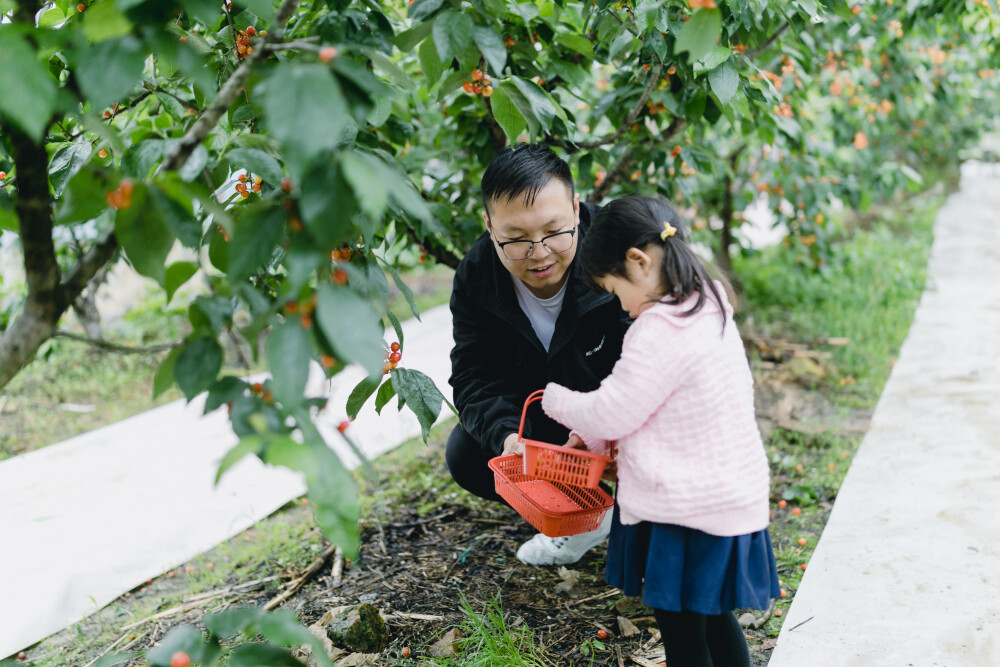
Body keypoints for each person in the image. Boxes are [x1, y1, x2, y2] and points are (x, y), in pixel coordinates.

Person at [539, 195, 779, 666]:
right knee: (712, 616)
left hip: (683, 511)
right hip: (726, 499)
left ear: (639, 261)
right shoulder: (707, 305)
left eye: (614, 289)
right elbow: (654, 404)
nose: (621, 305)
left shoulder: (658, 330)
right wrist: (592, 440)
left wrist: (556, 400)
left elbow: (614, 411)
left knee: (683, 636)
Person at [447, 144, 631, 565]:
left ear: (576, 205)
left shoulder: (620, 248)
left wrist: (604, 432)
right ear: (489, 225)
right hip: (547, 426)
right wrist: (510, 439)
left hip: (622, 412)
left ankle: (642, 516)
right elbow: (474, 377)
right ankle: (586, 519)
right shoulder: (476, 275)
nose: (541, 253)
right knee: (468, 453)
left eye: (554, 231)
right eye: (516, 240)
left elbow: (662, 357)